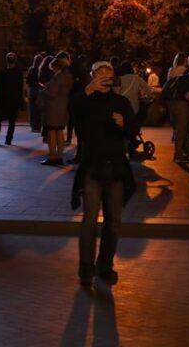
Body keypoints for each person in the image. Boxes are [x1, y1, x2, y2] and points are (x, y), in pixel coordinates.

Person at [70, 61, 138, 287]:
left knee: (114, 221)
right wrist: (88, 90)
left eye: (107, 70)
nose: (103, 74)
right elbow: (72, 112)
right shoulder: (86, 100)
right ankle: (86, 268)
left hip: (116, 167)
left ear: (113, 75)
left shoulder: (121, 102)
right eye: (98, 71)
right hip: (92, 166)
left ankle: (105, 266)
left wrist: (124, 123)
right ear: (92, 76)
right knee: (89, 220)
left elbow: (133, 131)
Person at [41, 53, 73, 165]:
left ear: (56, 66)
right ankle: (60, 155)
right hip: (63, 107)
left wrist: (44, 90)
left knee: (51, 133)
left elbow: (52, 93)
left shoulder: (57, 77)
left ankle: (52, 157)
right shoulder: (68, 76)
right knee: (60, 132)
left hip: (53, 108)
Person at [164, 61, 189, 161]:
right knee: (182, 129)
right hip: (180, 105)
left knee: (182, 128)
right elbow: (188, 96)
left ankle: (188, 150)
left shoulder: (182, 78)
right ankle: (178, 154)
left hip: (170, 104)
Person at [0, 52, 24, 146]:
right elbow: (20, 87)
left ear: (6, 61)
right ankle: (8, 139)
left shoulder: (2, 72)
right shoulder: (19, 72)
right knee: (12, 121)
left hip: (2, 100)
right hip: (14, 100)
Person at [26, 53, 44, 132]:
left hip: (32, 90)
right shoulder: (42, 69)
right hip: (40, 90)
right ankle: (39, 126)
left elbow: (28, 81)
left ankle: (33, 127)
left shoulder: (31, 69)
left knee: (32, 109)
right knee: (39, 110)